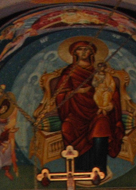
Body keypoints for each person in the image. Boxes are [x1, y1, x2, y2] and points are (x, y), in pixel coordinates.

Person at [48, 40, 124, 172]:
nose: (83, 52)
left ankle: (99, 170)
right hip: (75, 113)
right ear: (74, 53)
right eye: (80, 49)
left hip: (98, 111)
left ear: (91, 53)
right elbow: (60, 96)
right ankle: (78, 170)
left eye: (86, 49)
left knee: (102, 125)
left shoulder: (100, 73)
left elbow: (112, 92)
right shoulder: (69, 73)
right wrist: (76, 92)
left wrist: (111, 105)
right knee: (67, 127)